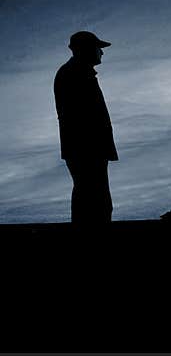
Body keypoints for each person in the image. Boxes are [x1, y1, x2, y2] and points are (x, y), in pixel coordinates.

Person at [54, 31, 118, 224]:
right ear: (86, 49)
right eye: (99, 48)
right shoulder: (74, 74)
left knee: (93, 201)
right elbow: (83, 117)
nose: (102, 53)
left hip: (88, 149)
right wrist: (97, 146)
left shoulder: (78, 73)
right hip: (87, 150)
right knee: (95, 202)